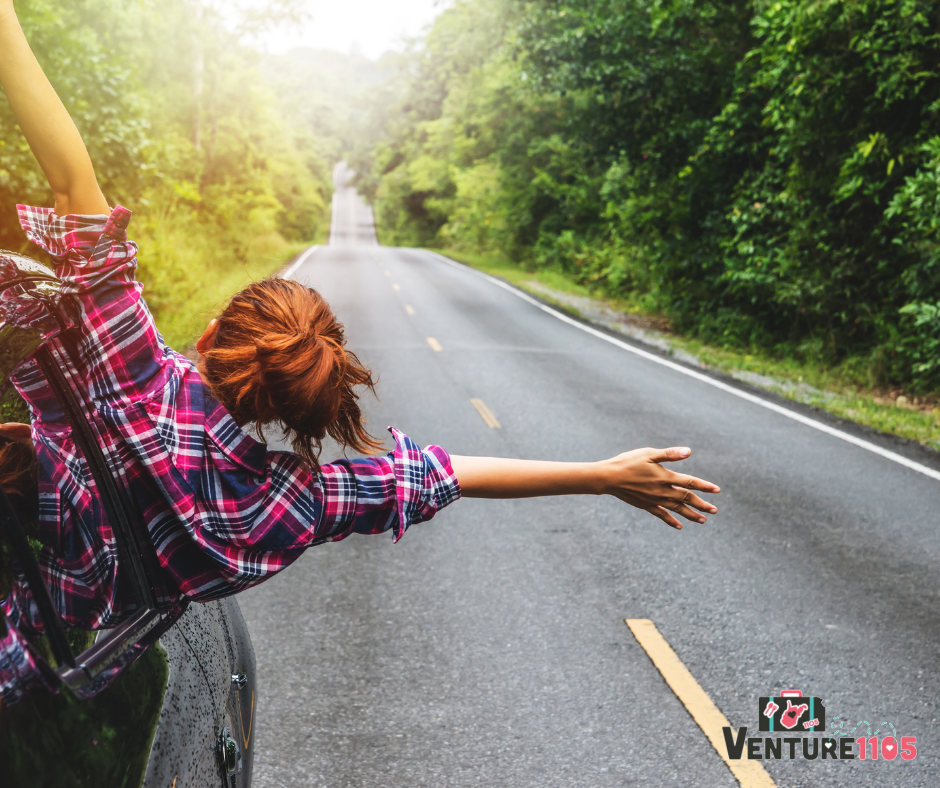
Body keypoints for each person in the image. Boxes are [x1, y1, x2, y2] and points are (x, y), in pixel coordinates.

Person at [0, 0, 719, 706]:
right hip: (26, 673)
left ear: (215, 330)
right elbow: (441, 476)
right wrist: (600, 475)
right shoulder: (285, 508)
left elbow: (70, 176)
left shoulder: (132, 368)